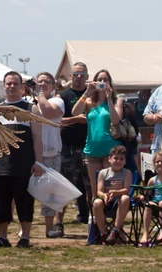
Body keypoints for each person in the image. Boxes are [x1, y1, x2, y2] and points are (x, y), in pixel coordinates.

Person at [0, 71, 44, 248]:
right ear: (4, 86)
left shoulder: (31, 108)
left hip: (23, 164)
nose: (11, 86)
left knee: (24, 201)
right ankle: (3, 237)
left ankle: (25, 237)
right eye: (8, 83)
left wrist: (38, 162)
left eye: (15, 83)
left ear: (21, 86)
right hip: (0, 165)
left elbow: (38, 138)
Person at [51, 62, 90, 237]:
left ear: (87, 77)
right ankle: (58, 223)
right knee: (65, 186)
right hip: (69, 147)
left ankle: (93, 221)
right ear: (71, 76)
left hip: (90, 146)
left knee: (91, 187)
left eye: (82, 74)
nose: (79, 77)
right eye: (76, 74)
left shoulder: (93, 95)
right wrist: (77, 120)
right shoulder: (64, 96)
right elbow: (58, 121)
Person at [72, 69, 122, 199]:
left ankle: (109, 215)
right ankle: (95, 215)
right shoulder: (89, 102)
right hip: (92, 150)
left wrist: (109, 98)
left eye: (105, 80)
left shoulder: (117, 100)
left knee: (109, 187)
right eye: (99, 80)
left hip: (110, 150)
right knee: (94, 188)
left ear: (110, 82)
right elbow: (74, 112)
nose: (102, 82)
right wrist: (87, 92)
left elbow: (116, 120)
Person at [33, 72, 65, 237]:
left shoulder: (57, 101)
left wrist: (38, 93)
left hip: (51, 152)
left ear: (53, 86)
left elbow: (48, 112)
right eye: (40, 81)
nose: (43, 84)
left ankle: (48, 228)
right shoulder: (31, 102)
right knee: (28, 189)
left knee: (50, 191)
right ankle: (25, 227)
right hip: (32, 152)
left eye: (46, 82)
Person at [91, 145, 132, 245]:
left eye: (121, 159)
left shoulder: (127, 173)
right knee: (96, 202)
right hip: (106, 200)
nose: (118, 161)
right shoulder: (103, 173)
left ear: (125, 161)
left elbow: (126, 190)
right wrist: (104, 196)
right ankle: (103, 233)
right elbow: (99, 191)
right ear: (109, 159)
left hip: (120, 201)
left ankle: (115, 230)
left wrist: (115, 192)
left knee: (126, 198)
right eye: (116, 158)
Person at [136, 150, 162, 247]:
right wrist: (141, 197)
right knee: (149, 204)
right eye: (157, 162)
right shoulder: (153, 180)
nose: (159, 163)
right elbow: (147, 194)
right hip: (155, 201)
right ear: (154, 164)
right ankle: (145, 234)